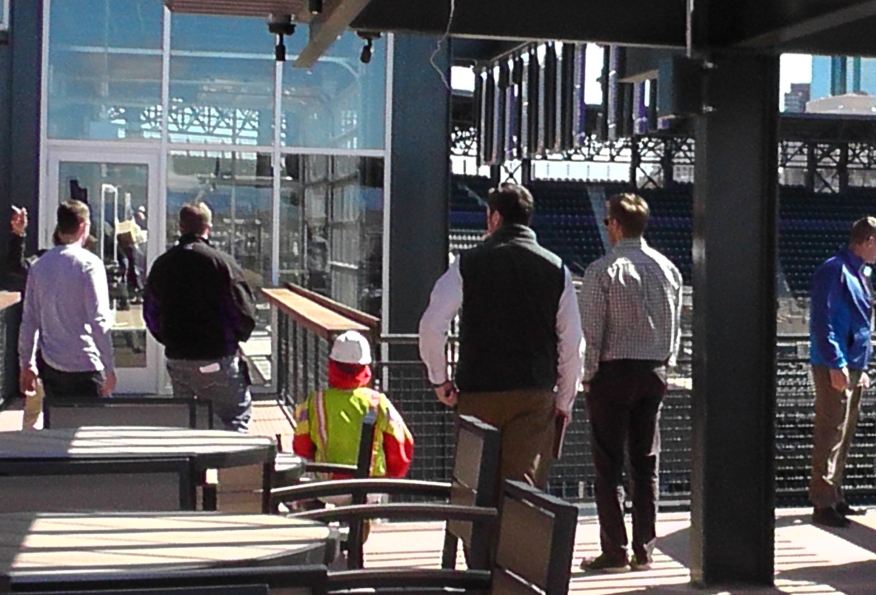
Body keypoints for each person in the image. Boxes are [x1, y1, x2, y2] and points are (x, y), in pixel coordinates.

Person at [418, 182, 582, 497]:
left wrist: (440, 380)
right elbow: (572, 344)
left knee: (474, 488)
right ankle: (517, 547)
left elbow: (431, 326)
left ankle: (478, 547)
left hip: (478, 393)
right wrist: (564, 401)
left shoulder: (466, 264)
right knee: (523, 492)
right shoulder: (557, 269)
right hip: (534, 394)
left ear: (494, 218)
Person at [577, 192, 683, 572]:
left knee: (608, 465)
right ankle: (645, 548)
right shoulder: (668, 269)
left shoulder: (602, 270)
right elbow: (675, 330)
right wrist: (665, 365)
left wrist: (588, 378)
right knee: (646, 462)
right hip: (653, 371)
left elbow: (593, 332)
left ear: (617, 226)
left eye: (608, 222)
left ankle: (614, 550)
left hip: (612, 373)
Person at [143, 201, 258, 430]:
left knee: (187, 422)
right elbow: (243, 312)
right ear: (208, 227)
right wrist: (235, 339)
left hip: (178, 357)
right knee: (233, 420)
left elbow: (151, 313)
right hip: (216, 356)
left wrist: (169, 339)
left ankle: (193, 466)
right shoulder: (223, 263)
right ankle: (231, 466)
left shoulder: (163, 265)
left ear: (180, 227)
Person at [807, 216, 876, 528]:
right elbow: (822, 320)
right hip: (836, 364)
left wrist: (859, 365)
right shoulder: (835, 270)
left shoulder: (857, 271)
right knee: (831, 431)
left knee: (844, 432)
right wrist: (835, 362)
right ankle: (823, 502)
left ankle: (835, 495)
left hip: (852, 364)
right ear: (867, 241)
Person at [18, 200, 117, 404]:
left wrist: (26, 363)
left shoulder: (39, 266)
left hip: (53, 365)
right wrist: (109, 366)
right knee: (89, 430)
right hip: (87, 364)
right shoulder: (90, 264)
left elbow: (30, 319)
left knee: (57, 425)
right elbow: (98, 320)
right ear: (83, 226)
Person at [293, 330, 414, 477]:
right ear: (365, 367)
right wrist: (391, 476)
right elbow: (401, 444)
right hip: (370, 485)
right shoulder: (378, 402)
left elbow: (301, 446)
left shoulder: (315, 402)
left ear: (332, 365)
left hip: (327, 486)